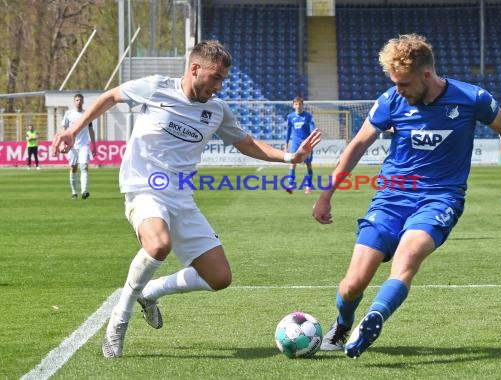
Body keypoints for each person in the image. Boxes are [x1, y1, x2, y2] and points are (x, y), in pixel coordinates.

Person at [51, 40, 321, 359]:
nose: (219, 86)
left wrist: (290, 156)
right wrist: (74, 130)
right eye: (216, 77)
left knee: (219, 277)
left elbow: (246, 143)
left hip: (181, 197)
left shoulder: (217, 110)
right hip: (143, 187)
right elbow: (111, 96)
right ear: (195, 69)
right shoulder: (155, 88)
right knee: (158, 245)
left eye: (223, 79)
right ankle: (118, 320)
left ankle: (150, 292)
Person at [312, 34, 501, 359]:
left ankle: (373, 319)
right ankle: (344, 324)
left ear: (426, 76)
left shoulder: (472, 98)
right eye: (395, 84)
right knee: (351, 285)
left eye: (403, 84)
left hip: (440, 199)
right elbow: (358, 144)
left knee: (406, 260)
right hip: (390, 198)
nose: (399, 90)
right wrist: (327, 193)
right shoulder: (391, 100)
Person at [61, 93, 96, 200]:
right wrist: (63, 143)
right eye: (77, 100)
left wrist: (94, 144)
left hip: (84, 145)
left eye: (80, 100)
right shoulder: (68, 114)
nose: (79, 102)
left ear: (83, 101)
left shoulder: (87, 114)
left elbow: (90, 129)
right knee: (73, 168)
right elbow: (64, 129)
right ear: (74, 101)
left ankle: (84, 191)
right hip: (72, 145)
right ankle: (74, 192)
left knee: (84, 167)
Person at [285, 96, 315, 194]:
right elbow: (288, 131)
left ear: (303, 105)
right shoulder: (290, 117)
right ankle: (290, 185)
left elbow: (312, 129)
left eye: (300, 104)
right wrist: (286, 143)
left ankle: (308, 186)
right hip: (295, 144)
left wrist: (311, 141)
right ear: (293, 105)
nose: (298, 106)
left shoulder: (308, 116)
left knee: (308, 164)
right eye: (296, 104)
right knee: (292, 163)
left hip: (306, 144)